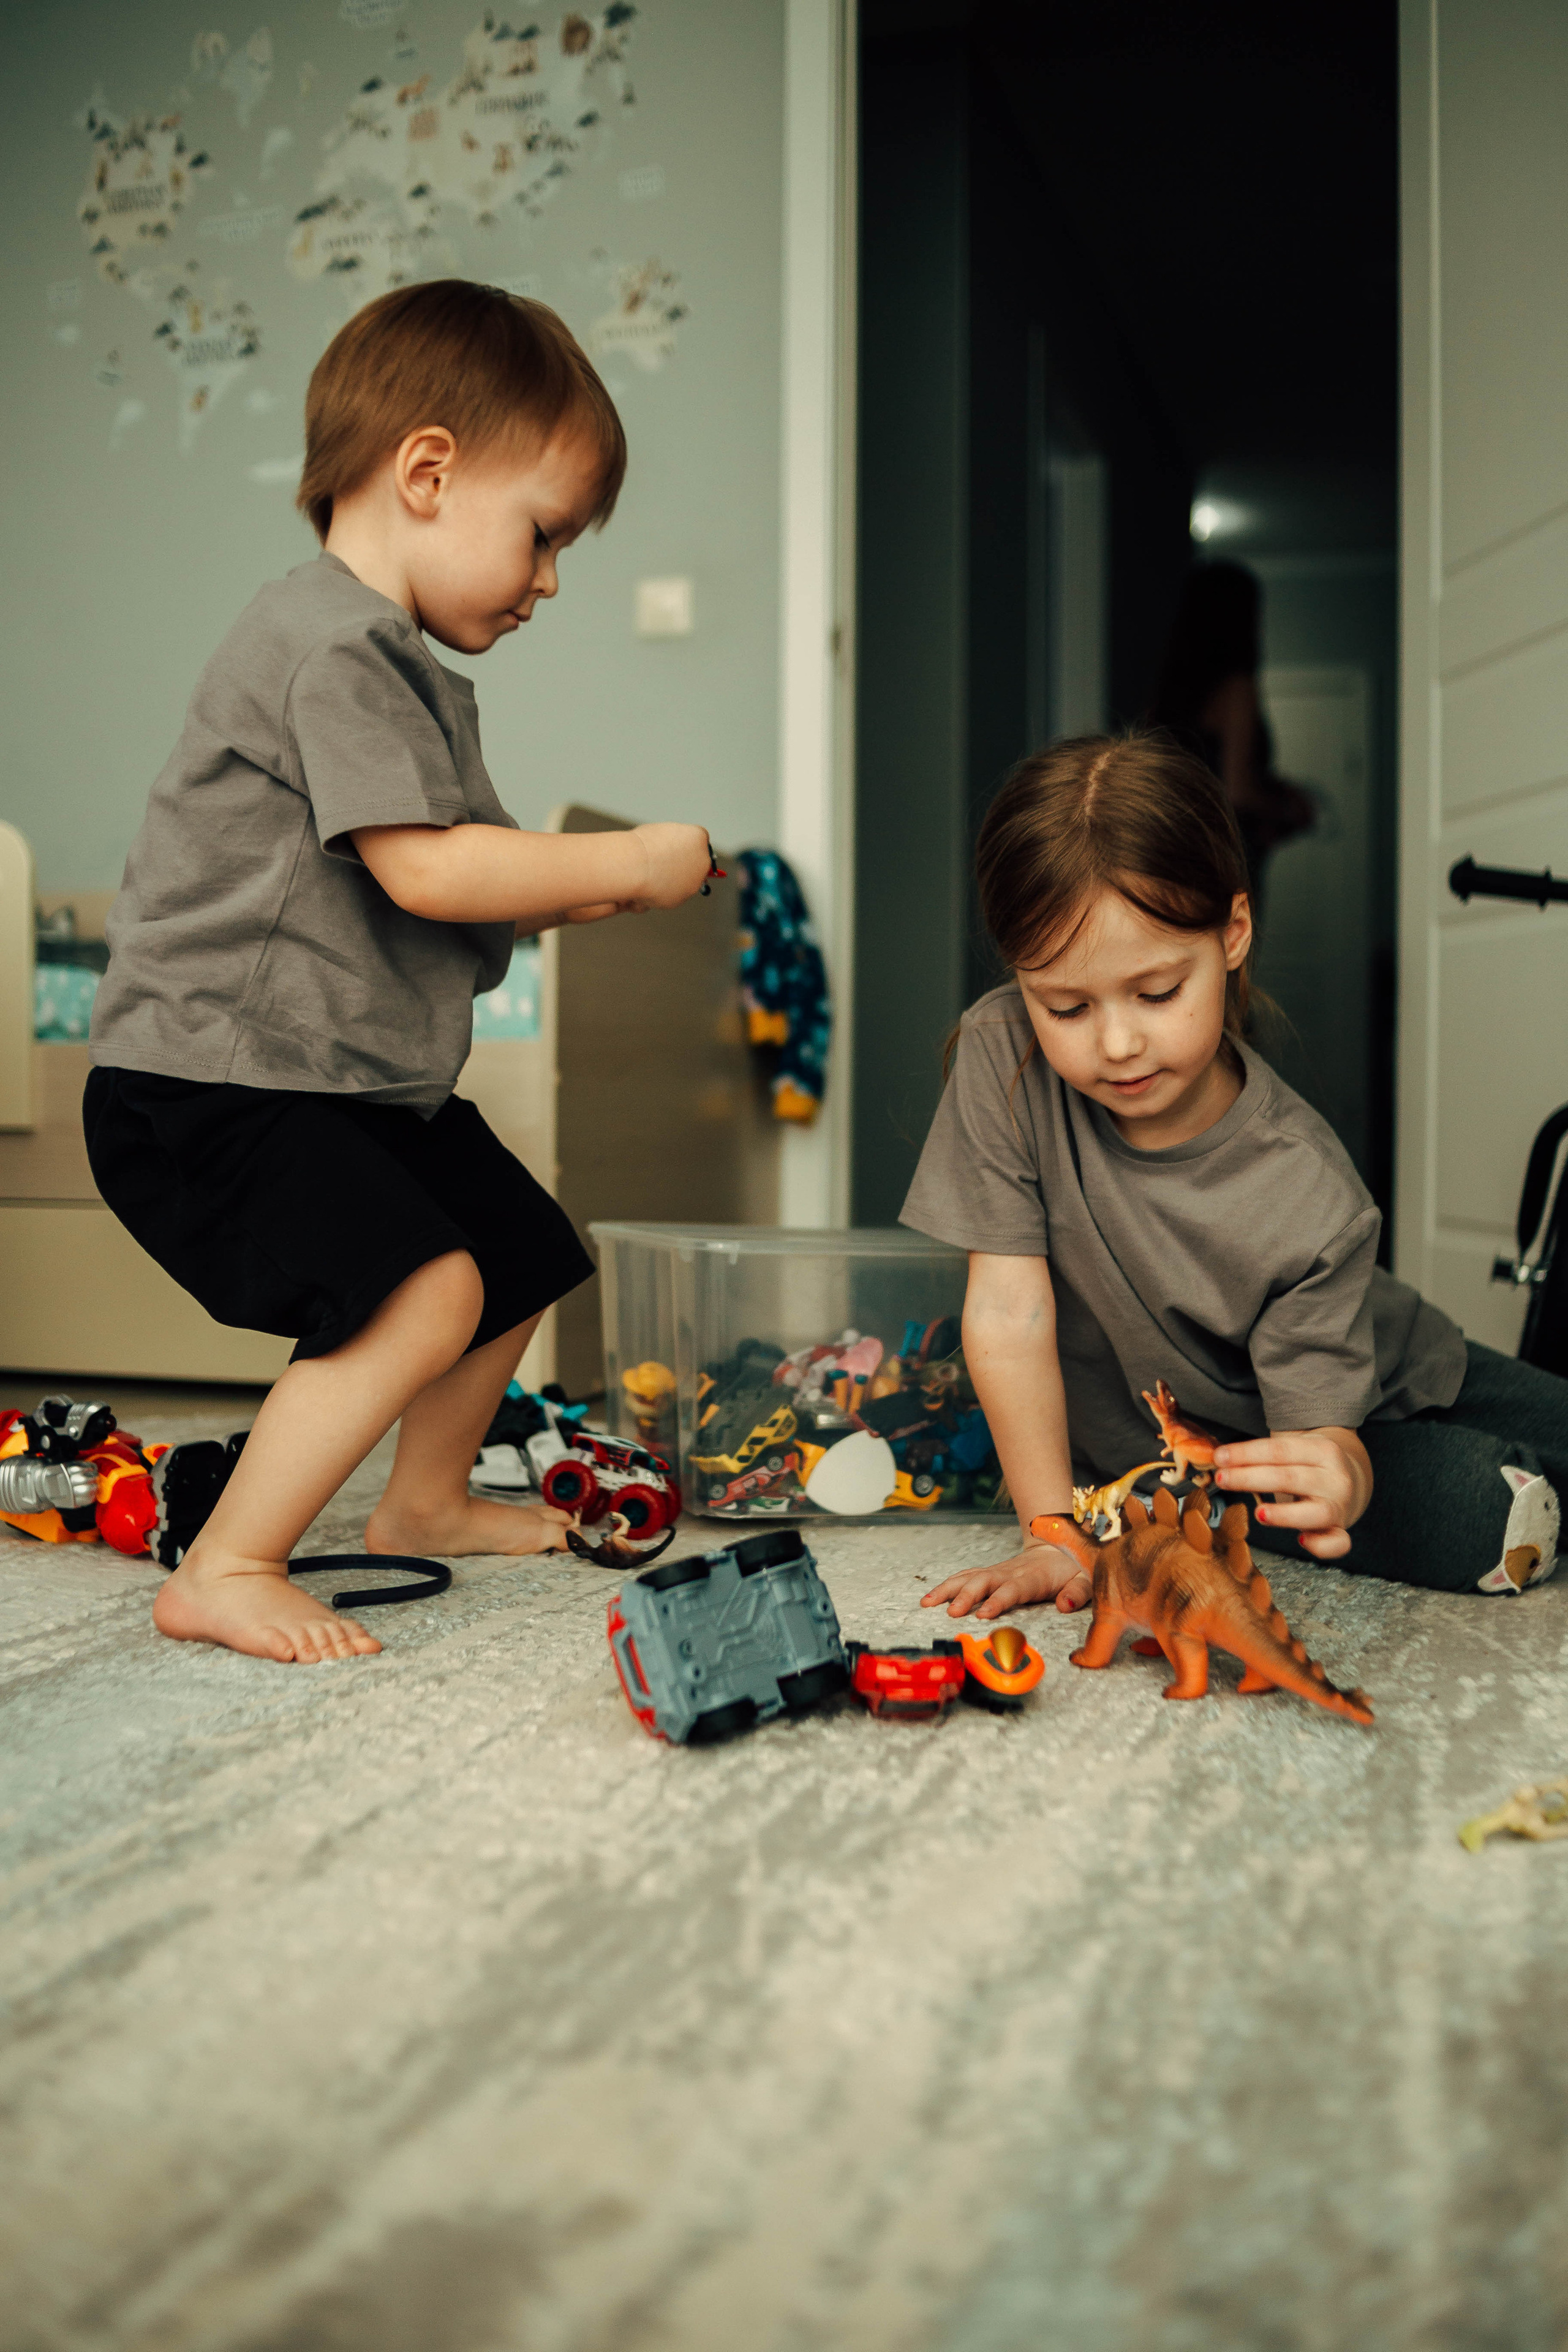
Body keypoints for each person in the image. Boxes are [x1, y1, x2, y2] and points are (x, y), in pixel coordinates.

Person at [84, 281, 714, 1665]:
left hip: (341, 1083)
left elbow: (462, 885)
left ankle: (423, 1500)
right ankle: (229, 1563)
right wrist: (635, 855)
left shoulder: (398, 669)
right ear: (426, 473)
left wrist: (612, 886)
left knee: (520, 1251)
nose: (550, 581)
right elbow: (433, 870)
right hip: (211, 1079)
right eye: (543, 534)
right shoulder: (328, 642)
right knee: (425, 1287)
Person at [903, 732, 1566, 1621]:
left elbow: (1318, 1433)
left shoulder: (1308, 1191)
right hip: (1193, 1448)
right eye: (1066, 1006)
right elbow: (1008, 1313)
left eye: (1156, 994)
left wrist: (1340, 1469)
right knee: (1489, 1511)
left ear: (1234, 935)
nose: (1117, 1043)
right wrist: (1051, 1533)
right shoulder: (1003, 1057)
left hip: (1368, 1370)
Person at [1146, 559, 1314, 913]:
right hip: (1223, 857)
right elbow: (1237, 792)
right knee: (1231, 941)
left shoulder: (1169, 697)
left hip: (1170, 854)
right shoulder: (1237, 690)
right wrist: (1287, 808)